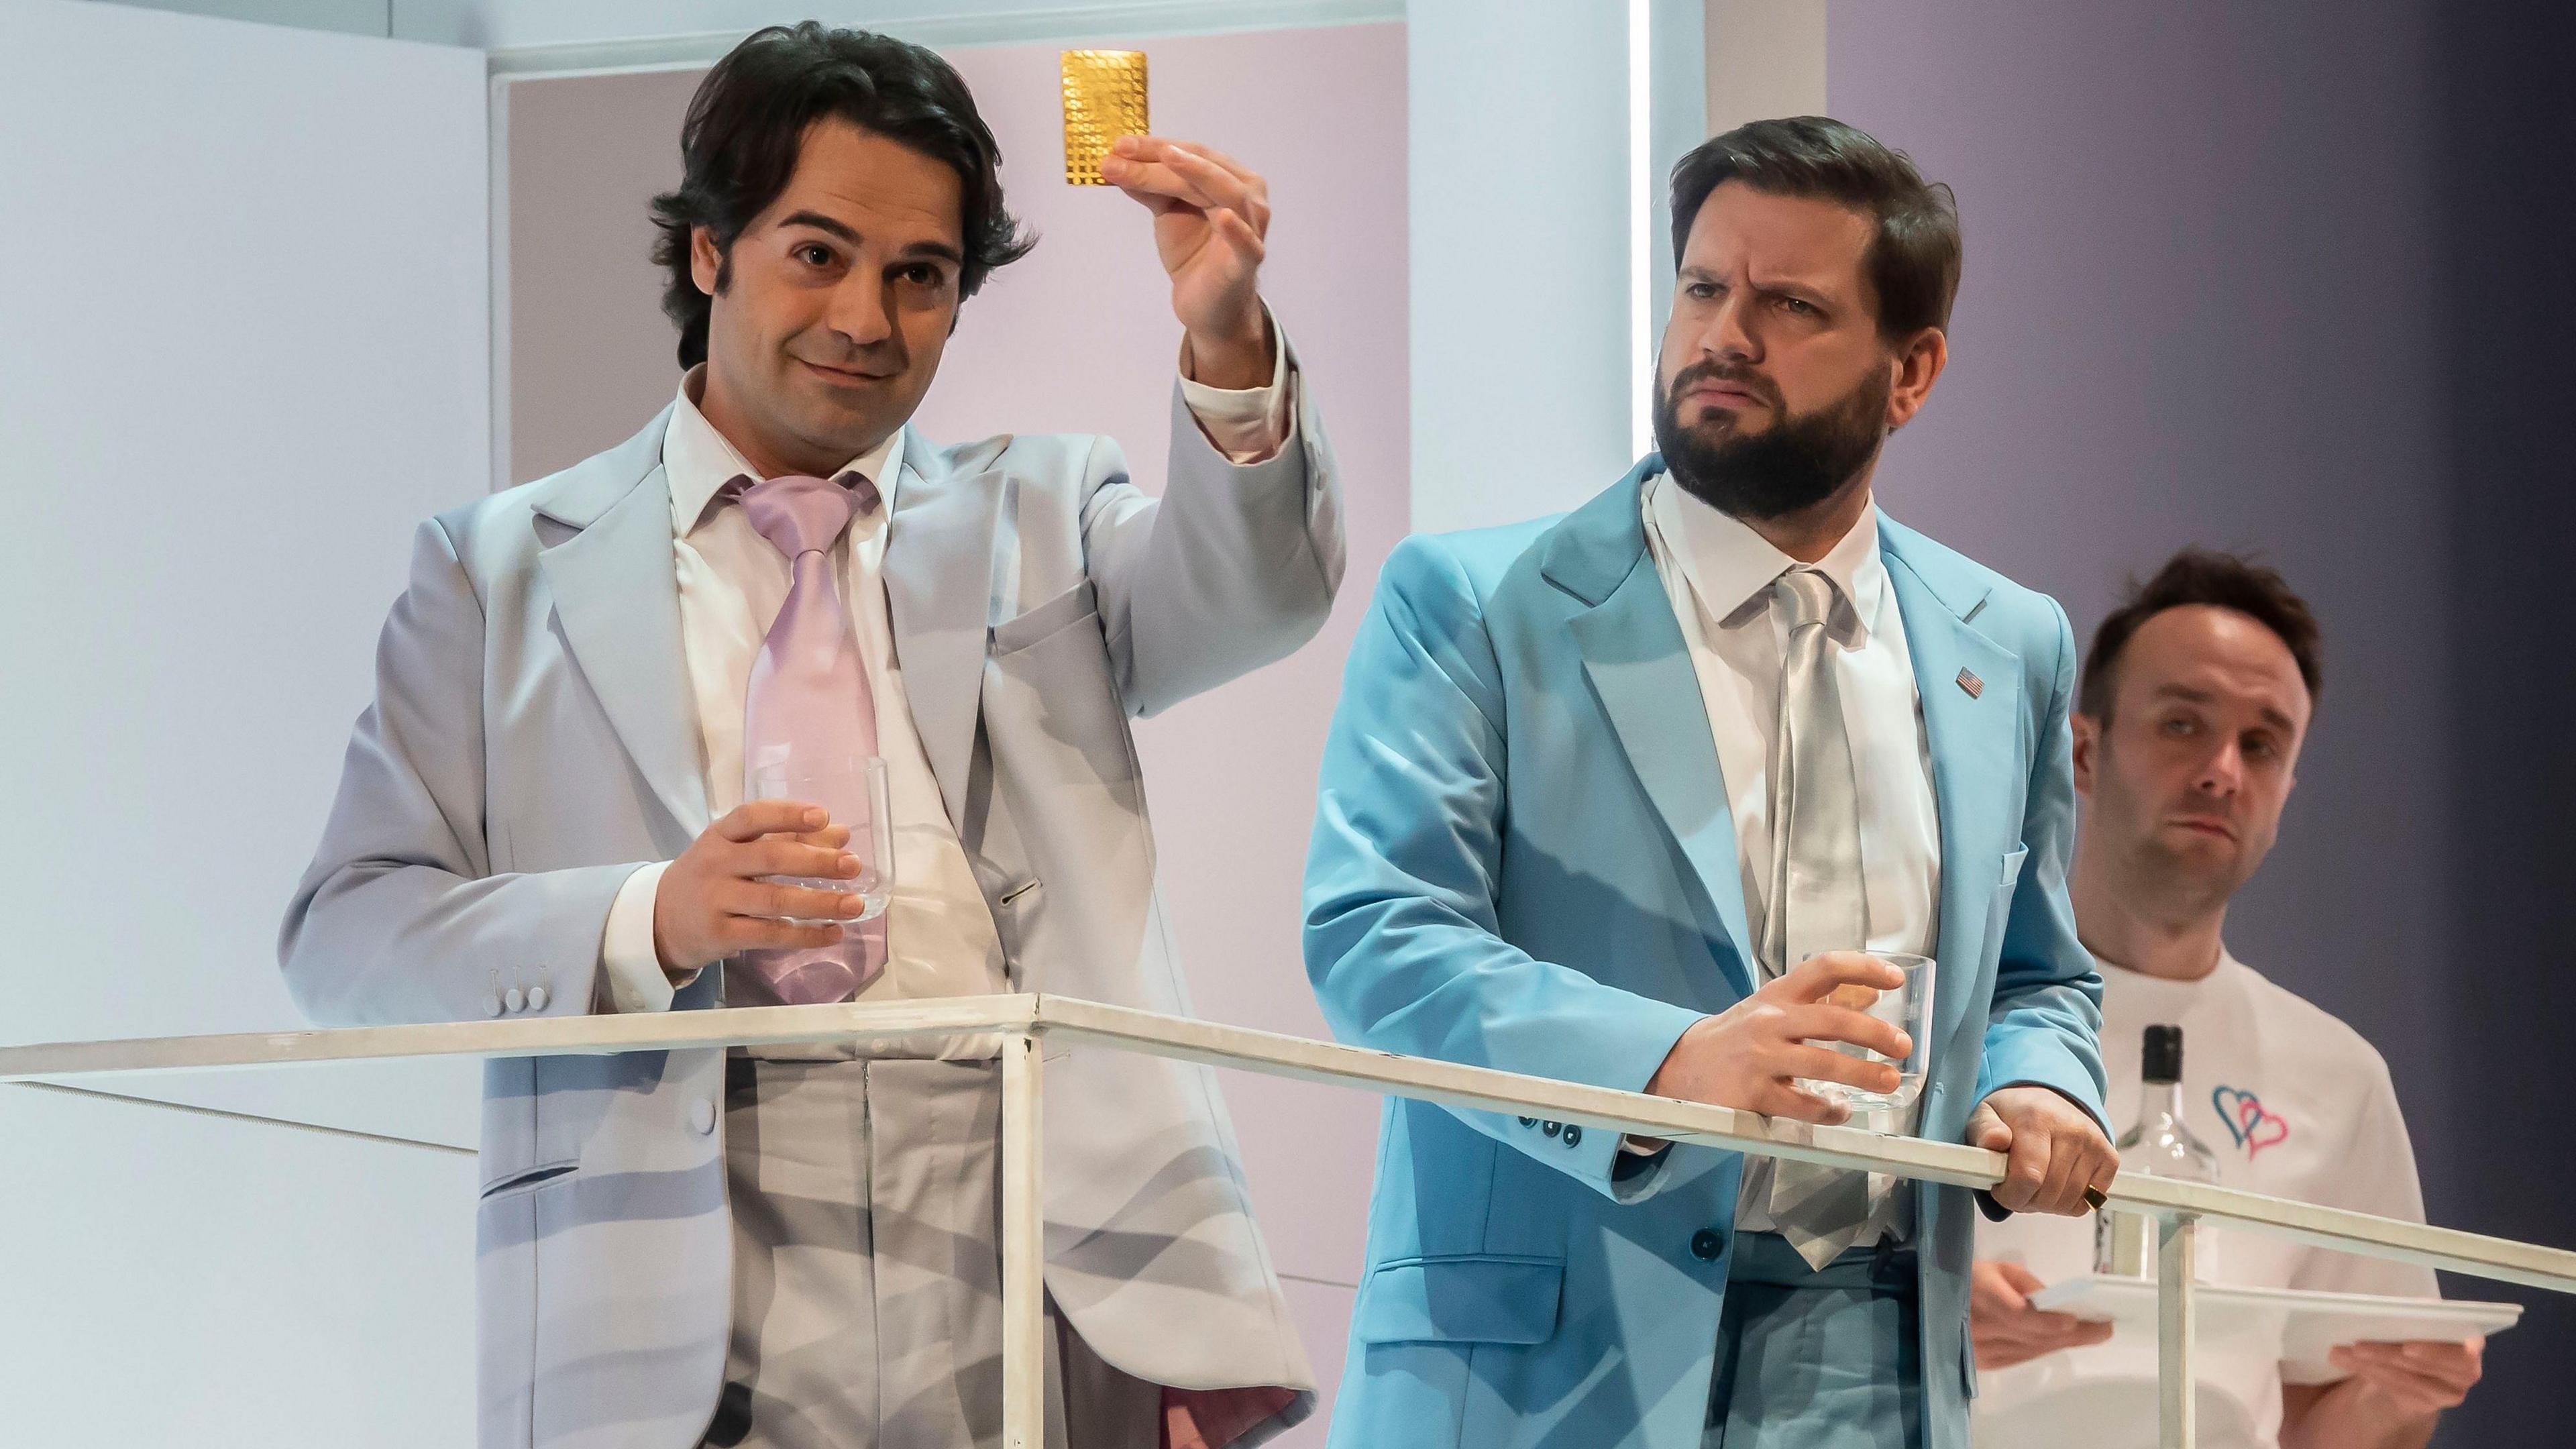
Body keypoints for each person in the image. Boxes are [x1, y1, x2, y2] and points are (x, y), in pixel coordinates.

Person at [280, 23, 1342, 1449]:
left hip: (1035, 1224)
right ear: (710, 250)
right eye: (818, 254)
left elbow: (1257, 600)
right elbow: (348, 934)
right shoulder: (498, 568)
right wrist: (646, 917)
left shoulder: (1047, 506)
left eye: (923, 277)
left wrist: (1226, 338)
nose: (866, 318)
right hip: (671, 1257)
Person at [1302, 116, 2116, 1449]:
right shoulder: (1474, 601)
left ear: (1912, 374)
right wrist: (1669, 1063)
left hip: (1882, 1354)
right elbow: (1377, 939)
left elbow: (2035, 976)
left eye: (1790, 305)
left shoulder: (2007, 641)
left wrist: (2036, 1088)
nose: (1727, 335)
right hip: (1549, 1372)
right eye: (1703, 289)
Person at [1970, 549, 2483, 1449]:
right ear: (2085, 751)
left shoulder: (2339, 1077)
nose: (2221, 772)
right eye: (2181, 724)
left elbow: (2329, 1408)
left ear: (2286, 791)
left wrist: (2405, 1396)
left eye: (2262, 745)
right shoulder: (1940, 1014)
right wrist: (1922, 1321)